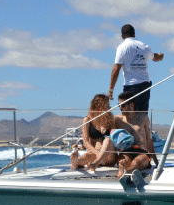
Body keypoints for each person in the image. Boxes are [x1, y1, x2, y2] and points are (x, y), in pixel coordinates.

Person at [109, 24, 163, 159]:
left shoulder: (122, 47)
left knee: (131, 122)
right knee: (142, 120)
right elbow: (155, 58)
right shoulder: (144, 45)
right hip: (145, 87)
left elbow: (116, 68)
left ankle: (133, 156)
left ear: (122, 36)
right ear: (134, 33)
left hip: (130, 88)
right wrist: (161, 56)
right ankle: (147, 156)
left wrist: (110, 90)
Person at [70, 94, 138, 172]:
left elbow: (115, 137)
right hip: (95, 152)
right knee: (87, 155)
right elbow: (85, 142)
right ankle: (76, 162)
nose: (109, 106)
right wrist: (96, 152)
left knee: (108, 140)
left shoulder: (111, 120)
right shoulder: (87, 120)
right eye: (107, 104)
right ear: (100, 105)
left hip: (109, 154)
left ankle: (95, 163)